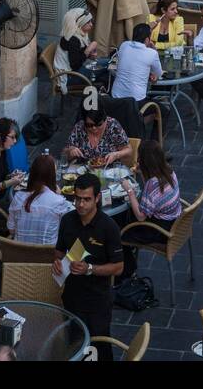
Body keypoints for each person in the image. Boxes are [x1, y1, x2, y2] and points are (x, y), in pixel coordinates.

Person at [54, 173, 124, 359]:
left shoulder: (109, 228)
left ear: (97, 198)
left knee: (98, 347)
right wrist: (57, 263)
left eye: (86, 199)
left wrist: (90, 269)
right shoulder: (67, 220)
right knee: (75, 345)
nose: (81, 204)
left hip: (97, 300)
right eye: (77, 199)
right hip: (71, 296)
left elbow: (118, 267)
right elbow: (59, 252)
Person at [119, 140, 183, 275]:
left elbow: (141, 216)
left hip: (160, 231)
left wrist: (129, 191)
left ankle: (127, 269)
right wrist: (143, 173)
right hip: (175, 222)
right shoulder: (169, 171)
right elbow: (152, 196)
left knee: (118, 232)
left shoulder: (152, 185)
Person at [6, 153, 73, 246]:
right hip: (47, 257)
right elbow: (65, 230)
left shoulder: (18, 197)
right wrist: (59, 195)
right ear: (52, 175)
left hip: (19, 255)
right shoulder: (58, 202)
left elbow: (11, 229)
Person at [62, 98, 133, 168]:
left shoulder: (113, 126)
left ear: (104, 119)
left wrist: (116, 155)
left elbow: (129, 151)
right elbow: (64, 153)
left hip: (109, 171)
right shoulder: (79, 127)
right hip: (85, 171)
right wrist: (70, 151)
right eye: (89, 125)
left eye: (98, 124)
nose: (94, 128)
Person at [111, 22, 162, 104]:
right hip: (136, 100)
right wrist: (154, 49)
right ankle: (141, 117)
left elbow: (114, 64)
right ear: (147, 39)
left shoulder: (124, 45)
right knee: (163, 110)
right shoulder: (152, 53)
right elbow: (158, 73)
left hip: (115, 97)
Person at [54, 8, 99, 91]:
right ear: (79, 23)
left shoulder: (79, 35)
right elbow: (75, 65)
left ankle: (100, 96)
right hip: (69, 76)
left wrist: (89, 55)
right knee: (107, 66)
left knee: (106, 65)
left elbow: (78, 54)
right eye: (88, 22)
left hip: (73, 72)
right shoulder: (72, 39)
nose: (91, 25)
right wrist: (88, 50)